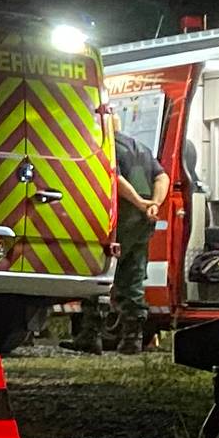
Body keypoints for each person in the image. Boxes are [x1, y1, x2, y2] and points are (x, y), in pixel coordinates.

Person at [72, 131, 165, 353]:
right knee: (132, 281)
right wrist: (154, 203)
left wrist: (140, 202)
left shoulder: (106, 146)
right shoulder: (142, 147)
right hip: (141, 224)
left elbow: (114, 177)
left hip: (117, 222)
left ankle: (90, 336)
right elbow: (162, 177)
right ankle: (132, 340)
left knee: (100, 275)